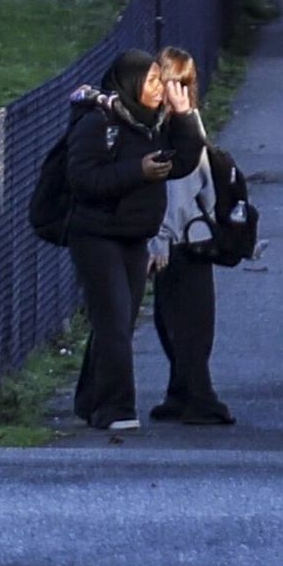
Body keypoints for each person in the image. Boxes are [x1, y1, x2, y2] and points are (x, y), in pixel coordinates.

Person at [64, 49, 203, 431]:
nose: (161, 88)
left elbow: (185, 161)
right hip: (96, 234)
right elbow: (84, 180)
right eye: (153, 81)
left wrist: (185, 116)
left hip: (133, 234)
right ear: (131, 84)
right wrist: (137, 171)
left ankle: (91, 399)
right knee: (113, 320)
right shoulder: (98, 122)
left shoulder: (155, 123)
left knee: (120, 319)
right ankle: (116, 407)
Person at [145, 47, 234, 425]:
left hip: (186, 239)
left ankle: (198, 395)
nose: (176, 91)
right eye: (170, 83)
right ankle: (183, 392)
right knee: (173, 320)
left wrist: (161, 238)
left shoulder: (181, 128)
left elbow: (180, 190)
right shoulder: (174, 126)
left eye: (183, 83)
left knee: (189, 323)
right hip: (182, 236)